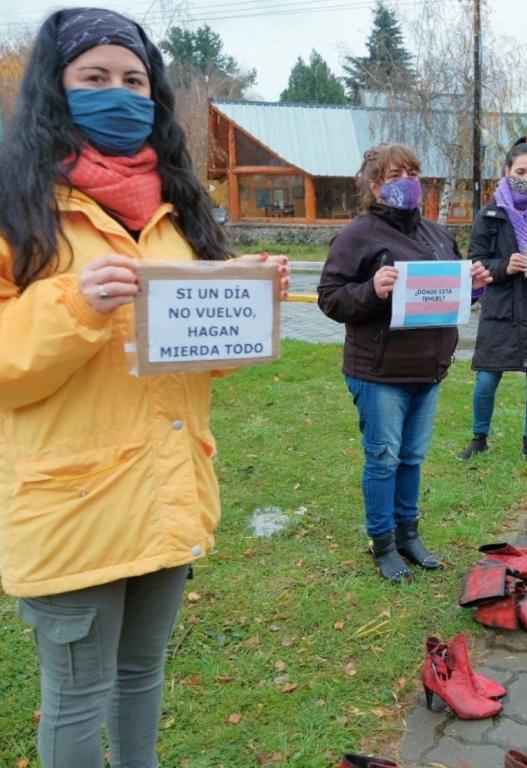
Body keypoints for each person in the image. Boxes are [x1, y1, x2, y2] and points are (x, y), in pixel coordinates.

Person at [0, 8, 289, 766]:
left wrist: (247, 298)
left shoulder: (176, 203)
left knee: (142, 675)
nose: (118, 94)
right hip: (72, 505)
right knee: (75, 699)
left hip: (166, 488)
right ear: (54, 90)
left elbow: (199, 354)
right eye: (94, 78)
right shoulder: (16, 206)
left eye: (133, 80)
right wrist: (72, 302)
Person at [317, 143, 492, 583]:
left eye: (413, 171)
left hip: (427, 368)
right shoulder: (357, 236)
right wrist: (371, 289)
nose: (407, 181)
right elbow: (329, 297)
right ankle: (382, 543)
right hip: (379, 372)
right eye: (396, 174)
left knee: (412, 458)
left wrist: (472, 287)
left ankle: (408, 534)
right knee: (383, 459)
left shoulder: (436, 234)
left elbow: (446, 297)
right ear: (375, 184)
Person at [458, 137, 527, 466]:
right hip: (503, 309)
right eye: (520, 170)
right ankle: (479, 438)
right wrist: (504, 266)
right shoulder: (490, 215)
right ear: (506, 171)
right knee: (487, 378)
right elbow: (475, 262)